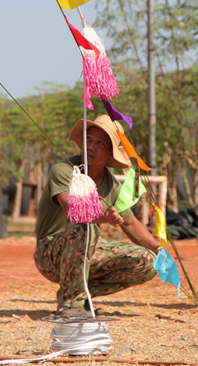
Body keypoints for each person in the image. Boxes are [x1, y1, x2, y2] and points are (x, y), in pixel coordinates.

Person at [34, 114, 161, 316]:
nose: (91, 146)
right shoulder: (64, 170)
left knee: (148, 261)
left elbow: (130, 224)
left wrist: (160, 251)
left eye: (100, 143)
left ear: (110, 153)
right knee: (84, 229)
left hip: (86, 249)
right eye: (88, 139)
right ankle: (71, 304)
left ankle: (80, 294)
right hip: (50, 253)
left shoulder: (112, 185)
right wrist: (104, 218)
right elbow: (73, 210)